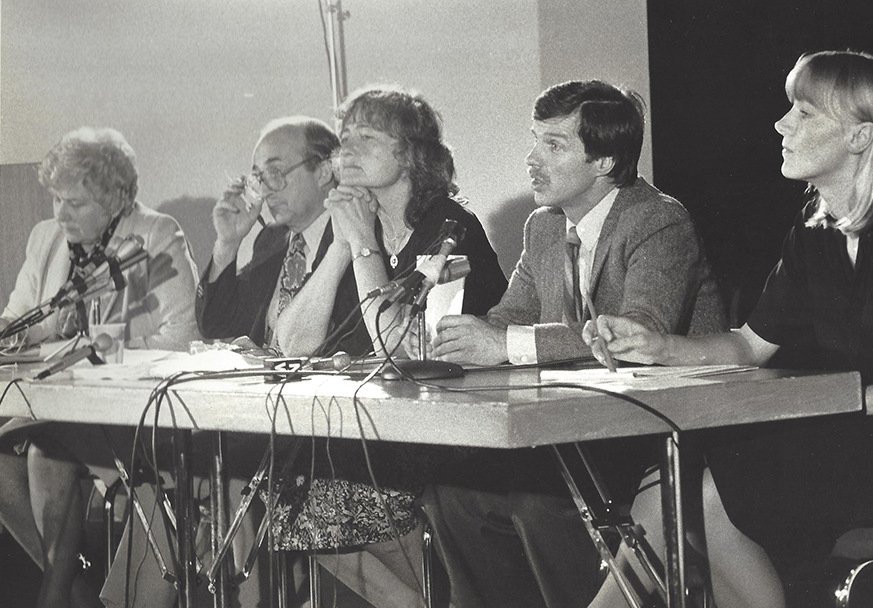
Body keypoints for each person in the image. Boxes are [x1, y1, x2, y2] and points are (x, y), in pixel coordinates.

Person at [584, 50, 873, 608]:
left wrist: (837, 400)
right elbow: (749, 346)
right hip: (866, 444)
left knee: (690, 486)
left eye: (803, 112)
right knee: (677, 480)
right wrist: (658, 346)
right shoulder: (815, 232)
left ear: (860, 137)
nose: (782, 124)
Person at [422, 80, 725, 608]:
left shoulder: (658, 218)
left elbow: (634, 332)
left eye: (553, 145)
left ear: (604, 160)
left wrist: (503, 343)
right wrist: (451, 339)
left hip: (658, 438)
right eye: (534, 140)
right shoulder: (543, 226)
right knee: (455, 498)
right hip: (583, 434)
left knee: (539, 505)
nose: (531, 159)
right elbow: (508, 320)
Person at [267, 85, 508, 608]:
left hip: (443, 439)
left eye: (368, 138)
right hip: (374, 434)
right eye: (345, 137)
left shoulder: (449, 228)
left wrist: (363, 248)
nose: (347, 150)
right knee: (277, 484)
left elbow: (400, 346)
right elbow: (293, 340)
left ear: (412, 155)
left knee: (293, 492)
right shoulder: (360, 225)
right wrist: (344, 244)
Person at [0, 127, 201, 608]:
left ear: (115, 198)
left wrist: (101, 348)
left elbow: (182, 340)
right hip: (62, 404)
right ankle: (79, 593)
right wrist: (14, 331)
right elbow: (22, 315)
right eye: (56, 201)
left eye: (76, 203)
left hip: (132, 413)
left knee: (46, 451)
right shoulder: (46, 238)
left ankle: (55, 597)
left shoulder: (156, 234)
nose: (61, 214)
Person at [195, 115, 348, 354]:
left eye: (276, 173)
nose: (265, 191)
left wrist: (274, 361)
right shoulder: (272, 239)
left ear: (323, 172)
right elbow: (215, 323)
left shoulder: (352, 235)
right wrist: (228, 242)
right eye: (259, 178)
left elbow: (353, 345)